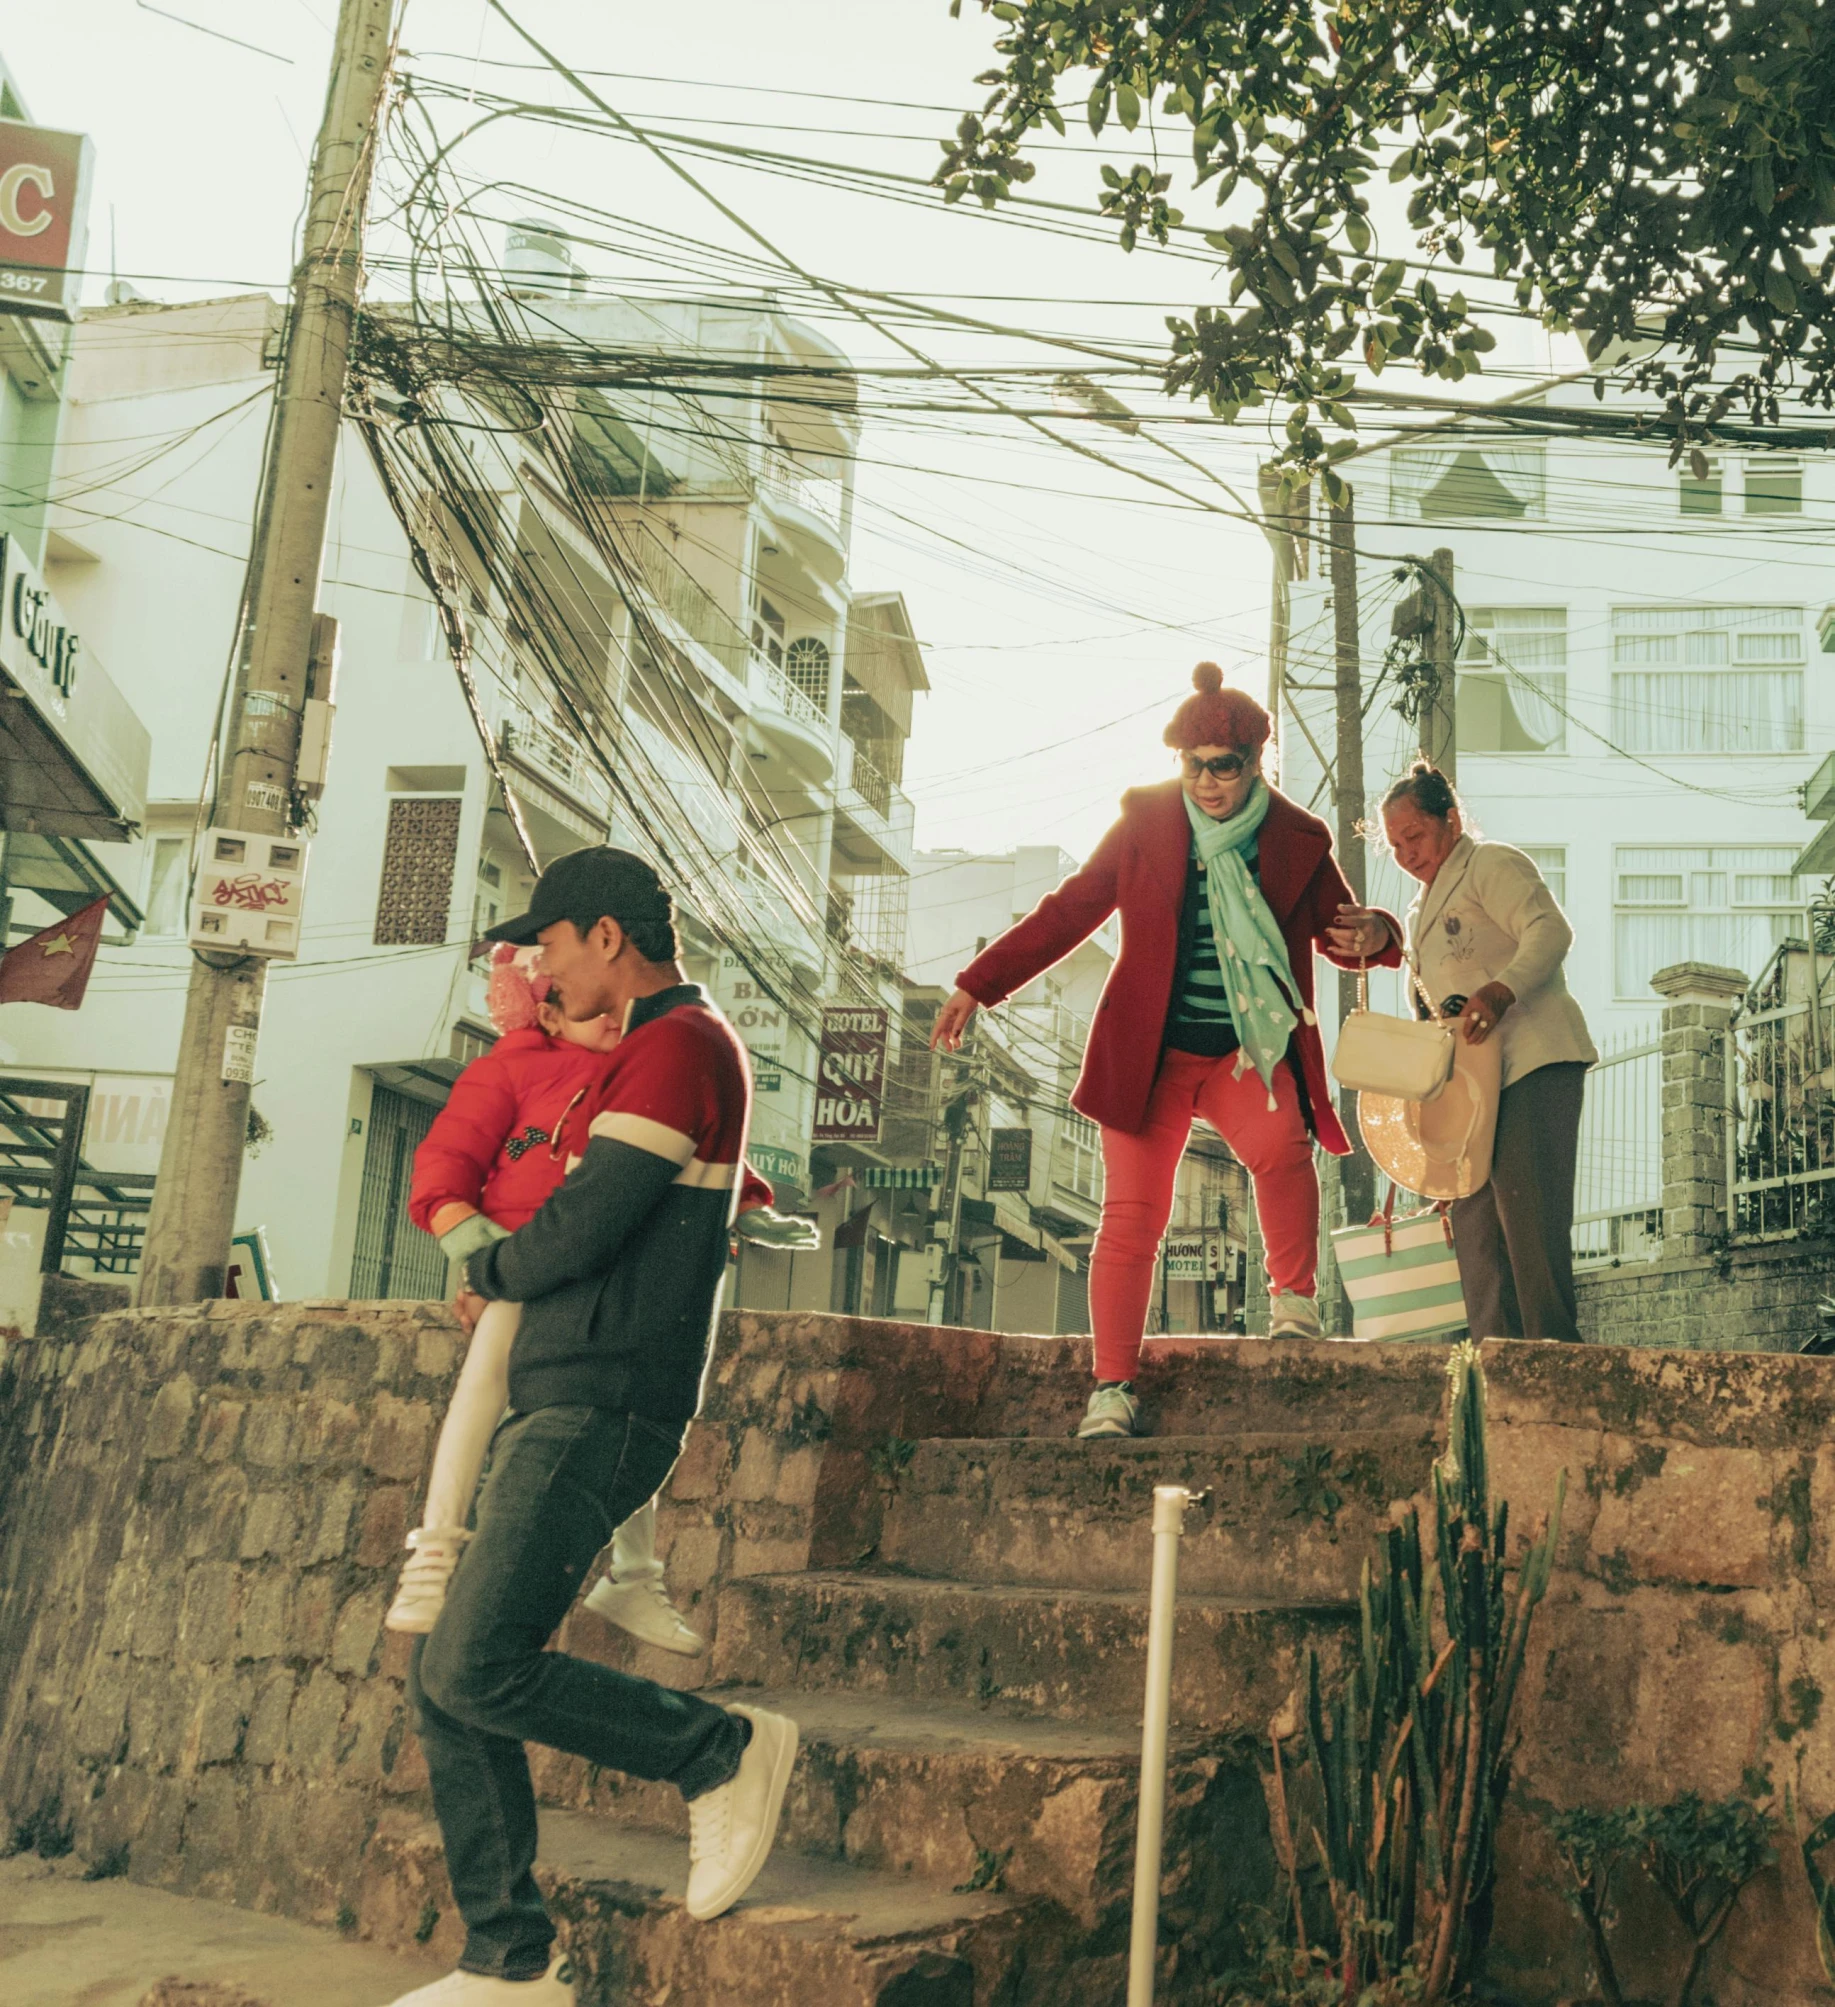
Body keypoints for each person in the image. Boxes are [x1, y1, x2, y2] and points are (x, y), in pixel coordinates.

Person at [388, 848, 798, 2007]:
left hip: (605, 1394)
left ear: (607, 935)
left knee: (472, 1661)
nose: (538, 968)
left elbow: (586, 1224)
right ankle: (509, 1964)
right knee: (443, 1676)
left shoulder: (678, 1046)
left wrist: (494, 1266)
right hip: (563, 1386)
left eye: (550, 945)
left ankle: (717, 1750)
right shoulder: (644, 1048)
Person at [931, 664, 1400, 1439]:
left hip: (1243, 1052)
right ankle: (1110, 1388)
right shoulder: (1146, 824)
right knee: (1130, 1217)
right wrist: (977, 984)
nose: (1209, 781)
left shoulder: (1296, 838)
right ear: (1176, 761)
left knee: (1284, 1146)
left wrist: (1380, 934)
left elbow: (1338, 931)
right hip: (1150, 1055)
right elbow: (1069, 911)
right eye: (1194, 763)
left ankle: (1293, 1304)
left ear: (1257, 762)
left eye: (1227, 765)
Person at [385, 943, 816, 1647]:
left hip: (593, 1268)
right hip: (521, 1260)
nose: (612, 1014)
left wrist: (750, 1200)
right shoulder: (507, 1070)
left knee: (611, 1398)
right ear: (547, 1009)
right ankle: (432, 1552)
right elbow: (445, 1162)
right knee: (482, 1385)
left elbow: (684, 1150)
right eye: (585, 1002)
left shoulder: (639, 1061)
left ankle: (636, 1573)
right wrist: (481, 1255)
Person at [1381, 762, 1598, 1342]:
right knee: (1475, 1226)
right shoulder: (1417, 912)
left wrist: (1501, 990)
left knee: (1529, 1221)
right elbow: (1432, 1017)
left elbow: (1550, 930)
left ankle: (1551, 1358)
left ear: (1450, 821)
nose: (1405, 853)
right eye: (1395, 844)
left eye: (1415, 836)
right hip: (1472, 1089)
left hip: (1533, 1061)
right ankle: (1493, 1357)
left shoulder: (1490, 864)